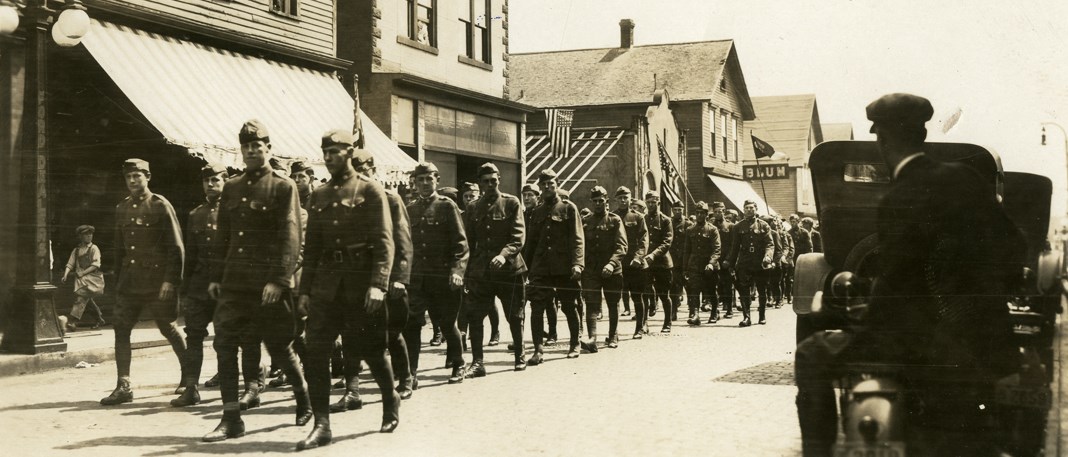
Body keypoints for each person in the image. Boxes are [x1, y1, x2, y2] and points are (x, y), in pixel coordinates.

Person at [794, 93, 1025, 456]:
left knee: (810, 354)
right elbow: (1014, 248)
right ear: (922, 134)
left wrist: (853, 317)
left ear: (882, 139)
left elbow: (897, 285)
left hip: (921, 345)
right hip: (984, 341)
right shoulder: (965, 178)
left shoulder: (901, 195)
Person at [203, 120, 310, 442]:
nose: (251, 151)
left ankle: (303, 394)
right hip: (235, 282)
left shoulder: (282, 186)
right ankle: (231, 418)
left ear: (268, 149)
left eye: (257, 146)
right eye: (247, 147)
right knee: (224, 345)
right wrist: (214, 276)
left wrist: (279, 280)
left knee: (279, 346)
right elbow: (223, 235)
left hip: (268, 284)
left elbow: (290, 236)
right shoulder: (232, 187)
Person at [295, 130, 400, 450]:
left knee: (373, 352)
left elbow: (385, 243)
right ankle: (322, 424)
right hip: (326, 288)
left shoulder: (370, 190)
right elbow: (311, 247)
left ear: (350, 152)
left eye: (335, 152)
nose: (328, 157)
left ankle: (389, 397)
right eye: (325, 152)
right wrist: (305, 290)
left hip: (361, 285)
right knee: (316, 355)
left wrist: (378, 285)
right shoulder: (320, 195)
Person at [330, 147, 415, 415]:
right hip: (355, 280)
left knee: (389, 333)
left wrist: (398, 278)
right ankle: (352, 391)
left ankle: (405, 379)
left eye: (363, 170)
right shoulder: (345, 199)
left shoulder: (389, 199)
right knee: (350, 332)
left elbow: (402, 240)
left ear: (373, 170)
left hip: (385, 278)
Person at [101, 159, 187, 406]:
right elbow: (119, 250)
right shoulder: (122, 208)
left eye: (137, 176)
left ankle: (188, 377)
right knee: (121, 330)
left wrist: (171, 280)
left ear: (147, 177)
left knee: (168, 327)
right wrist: (117, 282)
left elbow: (176, 248)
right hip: (130, 283)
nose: (132, 181)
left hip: (158, 282)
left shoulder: (160, 205)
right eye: (128, 177)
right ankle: (123, 386)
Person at [171, 163, 227, 407]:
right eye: (207, 181)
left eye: (215, 180)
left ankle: (248, 381)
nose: (210, 185)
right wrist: (185, 289)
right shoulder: (196, 214)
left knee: (227, 337)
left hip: (227, 285)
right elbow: (190, 255)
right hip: (199, 285)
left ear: (225, 182)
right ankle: (191, 387)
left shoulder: (234, 211)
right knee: (193, 335)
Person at [408, 162, 470, 383]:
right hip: (418, 280)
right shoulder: (411, 209)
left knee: (446, 323)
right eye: (420, 180)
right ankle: (410, 374)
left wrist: (457, 272)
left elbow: (461, 244)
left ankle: (459, 364)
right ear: (414, 183)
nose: (425, 183)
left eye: (429, 179)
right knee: (412, 324)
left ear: (437, 181)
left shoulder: (447, 206)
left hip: (444, 279)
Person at [464, 162, 528, 372]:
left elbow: (518, 237)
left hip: (509, 271)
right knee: (474, 315)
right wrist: (467, 272)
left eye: (494, 180)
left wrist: (503, 255)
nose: (490, 185)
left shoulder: (512, 203)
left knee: (514, 314)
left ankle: (519, 355)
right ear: (480, 184)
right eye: (486, 182)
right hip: (482, 272)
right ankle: (478, 362)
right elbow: (469, 242)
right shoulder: (473, 207)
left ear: (499, 179)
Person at [523, 169, 584, 363]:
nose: (548, 187)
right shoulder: (537, 212)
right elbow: (531, 242)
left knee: (568, 305)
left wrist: (577, 264)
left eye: (551, 183)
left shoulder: (568, 208)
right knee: (537, 307)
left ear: (557, 184)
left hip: (564, 267)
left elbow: (577, 239)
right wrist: (526, 269)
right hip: (541, 267)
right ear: (540, 188)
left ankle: (575, 343)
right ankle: (538, 350)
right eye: (544, 184)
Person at [580, 186, 627, 349]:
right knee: (591, 303)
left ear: (606, 202)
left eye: (601, 201)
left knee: (613, 303)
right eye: (595, 201)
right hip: (591, 270)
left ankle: (613, 335)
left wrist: (612, 263)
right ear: (591, 202)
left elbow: (622, 246)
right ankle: (592, 338)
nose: (598, 204)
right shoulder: (585, 221)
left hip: (612, 270)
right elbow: (581, 245)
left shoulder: (615, 220)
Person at [725, 200, 774, 327]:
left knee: (762, 289)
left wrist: (768, 257)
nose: (749, 210)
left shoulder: (764, 226)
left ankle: (762, 315)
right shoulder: (738, 227)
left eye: (752, 208)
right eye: (746, 208)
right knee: (744, 290)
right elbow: (734, 247)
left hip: (760, 262)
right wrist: (731, 264)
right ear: (743, 210)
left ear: (756, 209)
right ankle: (747, 317)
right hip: (745, 262)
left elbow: (769, 244)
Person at [521, 182, 559, 346]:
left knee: (549, 300)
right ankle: (520, 338)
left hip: (543, 262)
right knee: (522, 300)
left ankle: (552, 332)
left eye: (531, 195)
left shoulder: (544, 214)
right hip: (526, 261)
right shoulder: (521, 215)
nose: (527, 198)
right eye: (525, 195)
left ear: (538, 197)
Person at [612, 187, 648, 328]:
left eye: (625, 197)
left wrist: (638, 257)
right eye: (620, 198)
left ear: (630, 198)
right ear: (616, 199)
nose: (623, 200)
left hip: (634, 263)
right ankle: (613, 333)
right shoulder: (612, 216)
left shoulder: (638, 217)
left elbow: (644, 239)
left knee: (637, 297)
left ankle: (640, 327)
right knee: (614, 298)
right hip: (617, 263)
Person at [61, 225, 106, 332]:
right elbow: (70, 263)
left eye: (90, 234)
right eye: (86, 234)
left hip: (92, 280)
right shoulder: (76, 250)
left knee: (80, 299)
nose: (89, 236)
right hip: (81, 280)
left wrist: (83, 273)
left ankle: (72, 321)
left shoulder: (94, 248)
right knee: (85, 298)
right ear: (80, 236)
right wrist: (65, 274)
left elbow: (96, 264)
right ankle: (99, 319)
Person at [682, 202, 721, 326]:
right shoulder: (690, 230)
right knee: (694, 290)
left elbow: (717, 249)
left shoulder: (712, 229)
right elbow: (687, 250)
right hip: (694, 266)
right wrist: (685, 268)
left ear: (706, 215)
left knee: (711, 290)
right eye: (697, 213)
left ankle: (714, 312)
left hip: (709, 266)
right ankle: (696, 315)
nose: (699, 215)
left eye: (702, 213)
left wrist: (711, 263)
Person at [641, 191, 673, 333]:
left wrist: (653, 255)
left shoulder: (666, 220)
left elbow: (667, 242)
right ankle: (644, 323)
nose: (651, 205)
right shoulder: (643, 219)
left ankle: (667, 323)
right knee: (645, 293)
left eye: (653, 202)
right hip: (646, 263)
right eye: (648, 202)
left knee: (664, 294)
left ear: (658, 203)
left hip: (662, 263)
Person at [710, 202, 735, 320]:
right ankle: (716, 310)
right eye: (715, 211)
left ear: (724, 212)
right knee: (714, 285)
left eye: (720, 211)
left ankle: (729, 308)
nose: (718, 213)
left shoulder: (730, 226)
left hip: (725, 261)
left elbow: (733, 246)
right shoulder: (710, 226)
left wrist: (728, 260)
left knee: (727, 285)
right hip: (714, 260)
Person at [668, 201, 690, 322]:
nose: (677, 212)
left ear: (683, 210)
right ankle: (673, 312)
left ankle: (692, 311)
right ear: (672, 210)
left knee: (689, 286)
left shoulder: (688, 224)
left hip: (685, 261)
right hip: (673, 261)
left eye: (679, 210)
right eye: (675, 209)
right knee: (674, 287)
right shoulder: (668, 222)